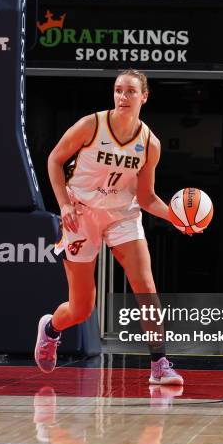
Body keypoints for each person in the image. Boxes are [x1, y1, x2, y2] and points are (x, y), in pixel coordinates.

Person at [35, 69, 184, 385]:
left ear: (144, 96)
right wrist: (63, 204)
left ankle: (159, 364)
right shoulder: (92, 125)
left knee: (146, 288)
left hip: (122, 215)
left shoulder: (149, 143)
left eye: (130, 91)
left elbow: (146, 198)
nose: (123, 97)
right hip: (82, 213)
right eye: (118, 90)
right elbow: (54, 160)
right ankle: (50, 328)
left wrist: (177, 217)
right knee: (81, 308)